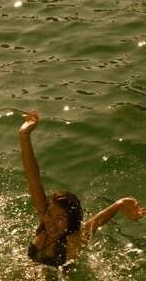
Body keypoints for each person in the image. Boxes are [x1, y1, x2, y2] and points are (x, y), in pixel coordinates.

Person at [19, 111, 145, 267]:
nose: (51, 222)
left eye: (60, 218)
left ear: (70, 222)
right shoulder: (44, 224)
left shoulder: (73, 241)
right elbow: (33, 179)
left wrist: (119, 204)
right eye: (49, 214)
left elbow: (96, 222)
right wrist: (24, 135)